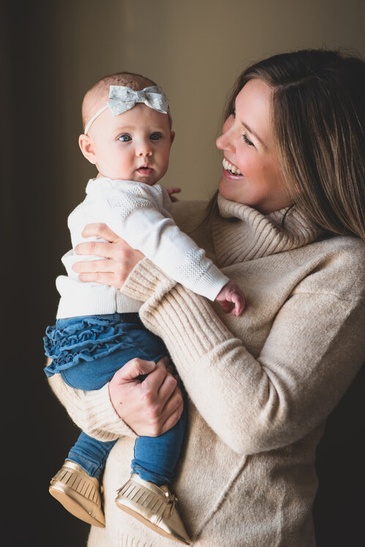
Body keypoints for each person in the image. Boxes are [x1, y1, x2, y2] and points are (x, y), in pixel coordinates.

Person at [46, 48, 365, 546]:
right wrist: (113, 408)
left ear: (309, 164)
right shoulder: (174, 224)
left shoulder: (339, 268)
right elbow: (76, 350)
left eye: (247, 136)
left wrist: (162, 288)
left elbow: (258, 421)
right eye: (231, 118)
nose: (221, 140)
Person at [43, 71, 245, 545]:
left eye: (156, 136)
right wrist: (216, 285)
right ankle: (149, 484)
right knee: (166, 389)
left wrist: (158, 202)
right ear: (90, 149)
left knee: (135, 388)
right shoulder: (129, 202)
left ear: (171, 140)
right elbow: (166, 245)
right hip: (109, 328)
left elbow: (145, 216)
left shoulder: (120, 195)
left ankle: (80, 468)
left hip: (77, 338)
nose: (144, 149)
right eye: (124, 138)